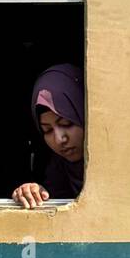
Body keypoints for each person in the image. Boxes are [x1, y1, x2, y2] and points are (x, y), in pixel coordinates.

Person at [11, 64, 85, 208]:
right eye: (47, 130)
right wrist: (32, 193)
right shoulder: (57, 170)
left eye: (67, 123)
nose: (59, 139)